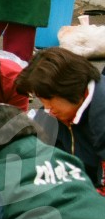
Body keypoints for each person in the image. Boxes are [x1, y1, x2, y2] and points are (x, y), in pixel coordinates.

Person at [16, 47, 104, 187]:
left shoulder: (100, 117)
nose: (48, 109)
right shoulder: (55, 114)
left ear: (68, 87)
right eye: (42, 101)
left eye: (49, 100)